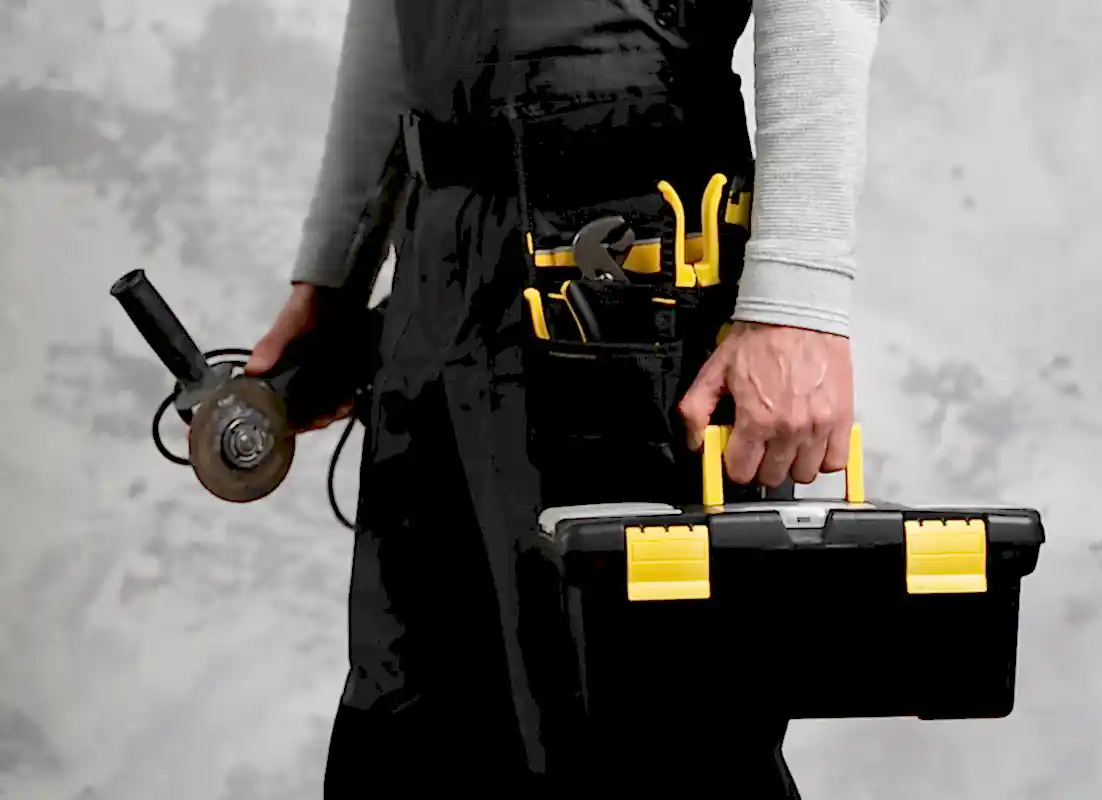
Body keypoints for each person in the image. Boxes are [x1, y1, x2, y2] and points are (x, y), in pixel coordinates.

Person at [245, 0, 889, 796]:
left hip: (631, 254)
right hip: (441, 259)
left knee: (647, 739)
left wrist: (798, 301)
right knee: (413, 729)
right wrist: (333, 279)